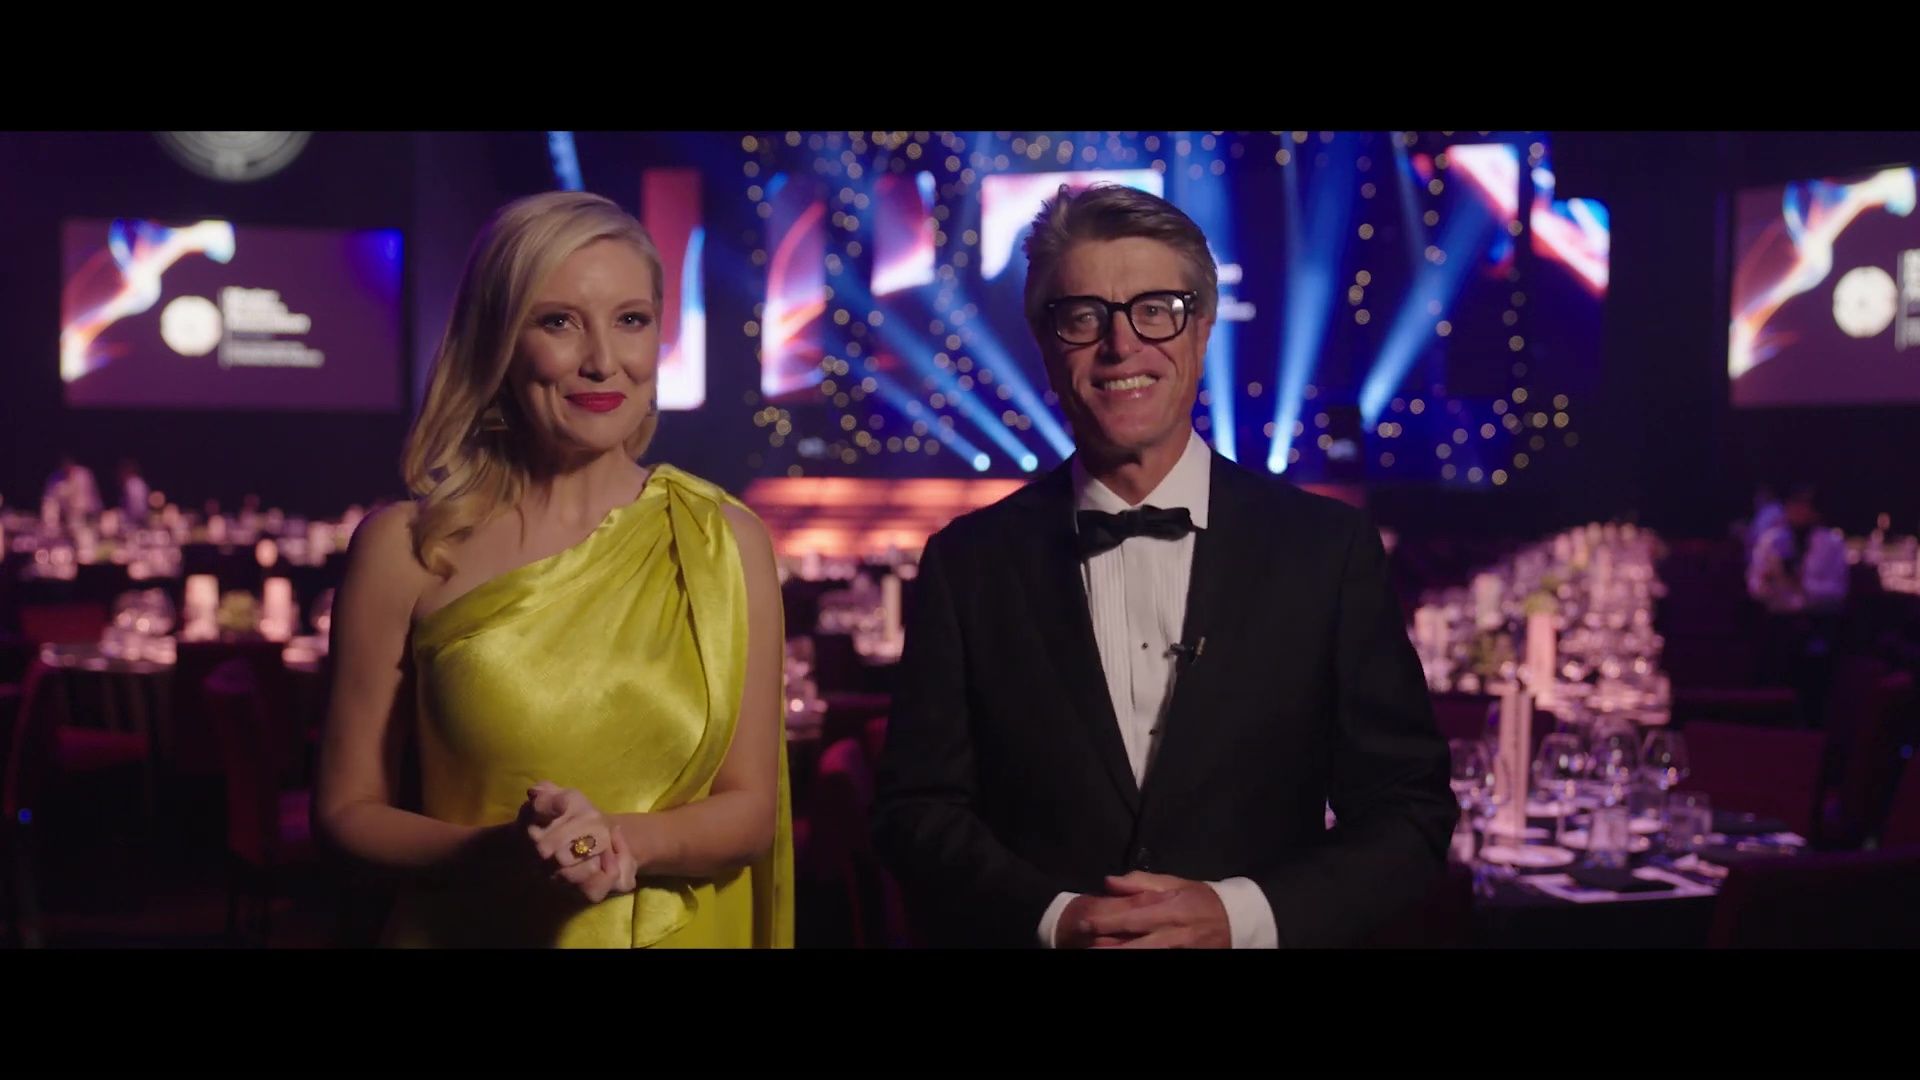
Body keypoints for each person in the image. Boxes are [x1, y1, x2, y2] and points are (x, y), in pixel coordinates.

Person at [872, 183, 1456, 948]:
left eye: (1157, 310)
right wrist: (1056, 917)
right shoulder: (967, 564)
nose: (1122, 346)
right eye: (1084, 317)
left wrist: (1240, 917)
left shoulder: (1327, 551)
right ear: (1046, 344)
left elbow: (1410, 813)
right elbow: (916, 814)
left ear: (1203, 327)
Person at [315, 191, 791, 947]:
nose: (602, 360)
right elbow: (346, 812)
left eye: (630, 320)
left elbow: (751, 811)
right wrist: (494, 856)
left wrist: (614, 843)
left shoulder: (725, 539)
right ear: (498, 339)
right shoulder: (405, 548)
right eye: (559, 322)